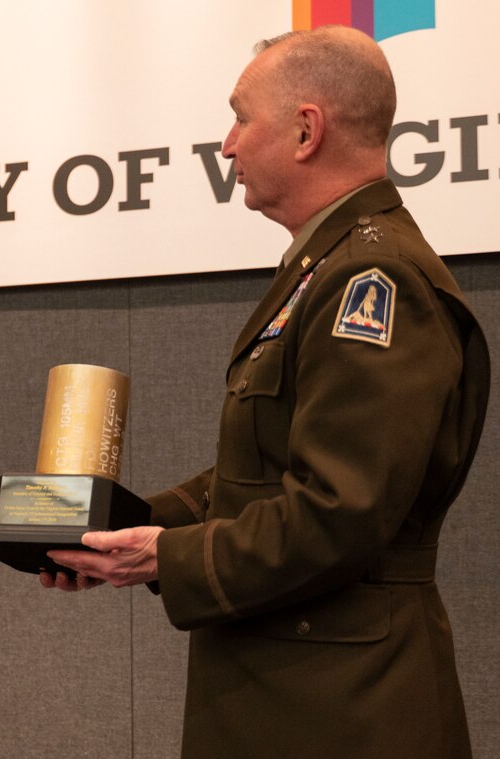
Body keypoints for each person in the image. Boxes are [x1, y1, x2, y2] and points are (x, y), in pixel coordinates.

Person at [42, 26, 489, 759]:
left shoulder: (374, 282)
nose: (226, 145)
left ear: (307, 129)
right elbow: (261, 475)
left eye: (241, 117)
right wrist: (115, 527)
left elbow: (339, 511)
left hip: (343, 707)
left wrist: (165, 557)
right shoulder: (327, 266)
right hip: (294, 690)